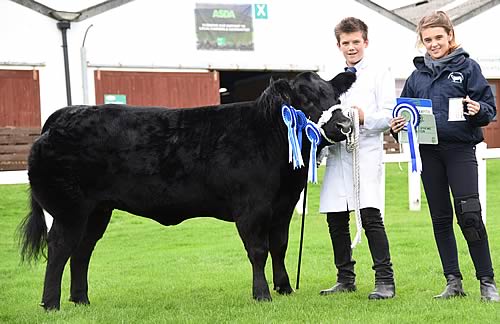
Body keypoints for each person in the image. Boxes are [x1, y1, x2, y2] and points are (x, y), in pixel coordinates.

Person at [390, 11, 499, 302]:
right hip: (429, 155)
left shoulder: (469, 68)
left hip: (460, 151)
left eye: (439, 37)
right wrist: (397, 124)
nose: (434, 43)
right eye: (428, 39)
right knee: (440, 218)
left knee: (470, 215)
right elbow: (403, 112)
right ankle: (453, 282)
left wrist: (478, 110)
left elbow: (490, 109)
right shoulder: (416, 76)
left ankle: (487, 282)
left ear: (450, 36)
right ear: (421, 42)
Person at [319, 17, 396, 300]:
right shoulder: (329, 74)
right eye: (345, 43)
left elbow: (389, 116)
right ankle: (345, 277)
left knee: (370, 215)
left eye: (355, 42)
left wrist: (364, 117)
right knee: (336, 217)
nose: (351, 48)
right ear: (338, 45)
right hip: (338, 155)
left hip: (365, 152)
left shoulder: (380, 72)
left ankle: (385, 280)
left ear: (365, 42)